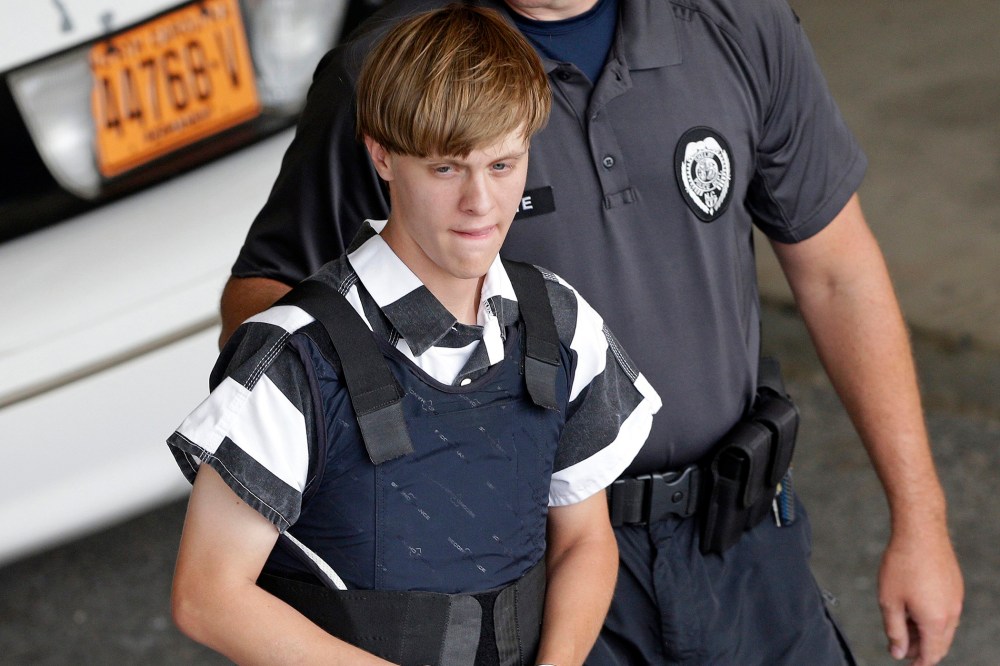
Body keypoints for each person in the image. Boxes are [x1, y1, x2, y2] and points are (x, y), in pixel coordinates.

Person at [219, 0, 964, 664]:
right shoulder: (405, 61)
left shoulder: (737, 21)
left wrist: (920, 520)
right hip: (537, 567)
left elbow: (839, 275)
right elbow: (268, 299)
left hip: (743, 541)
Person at [167, 5, 662, 665]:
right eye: (447, 169)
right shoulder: (296, 357)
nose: (480, 204)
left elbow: (584, 541)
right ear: (383, 156)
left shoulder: (558, 322)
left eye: (503, 166)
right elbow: (207, 596)